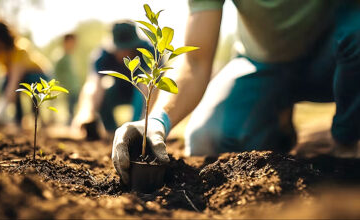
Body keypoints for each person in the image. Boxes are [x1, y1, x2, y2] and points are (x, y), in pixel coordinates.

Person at [112, 0, 360, 184]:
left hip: (335, 61)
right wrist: (156, 120)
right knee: (207, 141)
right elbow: (195, 62)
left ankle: (348, 142)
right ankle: (278, 119)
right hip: (262, 65)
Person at [72, 21, 153, 140]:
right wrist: (86, 112)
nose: (125, 53)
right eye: (121, 49)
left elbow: (149, 86)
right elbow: (93, 84)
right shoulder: (102, 55)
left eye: (129, 48)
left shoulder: (148, 51)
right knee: (104, 88)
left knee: (144, 86)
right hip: (118, 92)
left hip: (141, 94)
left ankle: (137, 130)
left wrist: (142, 123)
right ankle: (111, 132)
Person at [0, 21, 50, 126]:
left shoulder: (20, 48)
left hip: (38, 75)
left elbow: (14, 80)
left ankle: (38, 119)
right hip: (16, 77)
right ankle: (18, 121)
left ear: (3, 36)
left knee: (26, 86)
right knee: (4, 82)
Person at [54, 33, 80, 124]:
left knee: (76, 108)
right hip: (68, 89)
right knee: (70, 109)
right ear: (65, 42)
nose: (74, 45)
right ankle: (69, 125)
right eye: (71, 42)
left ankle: (73, 123)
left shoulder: (70, 56)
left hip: (74, 88)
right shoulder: (61, 57)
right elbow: (56, 74)